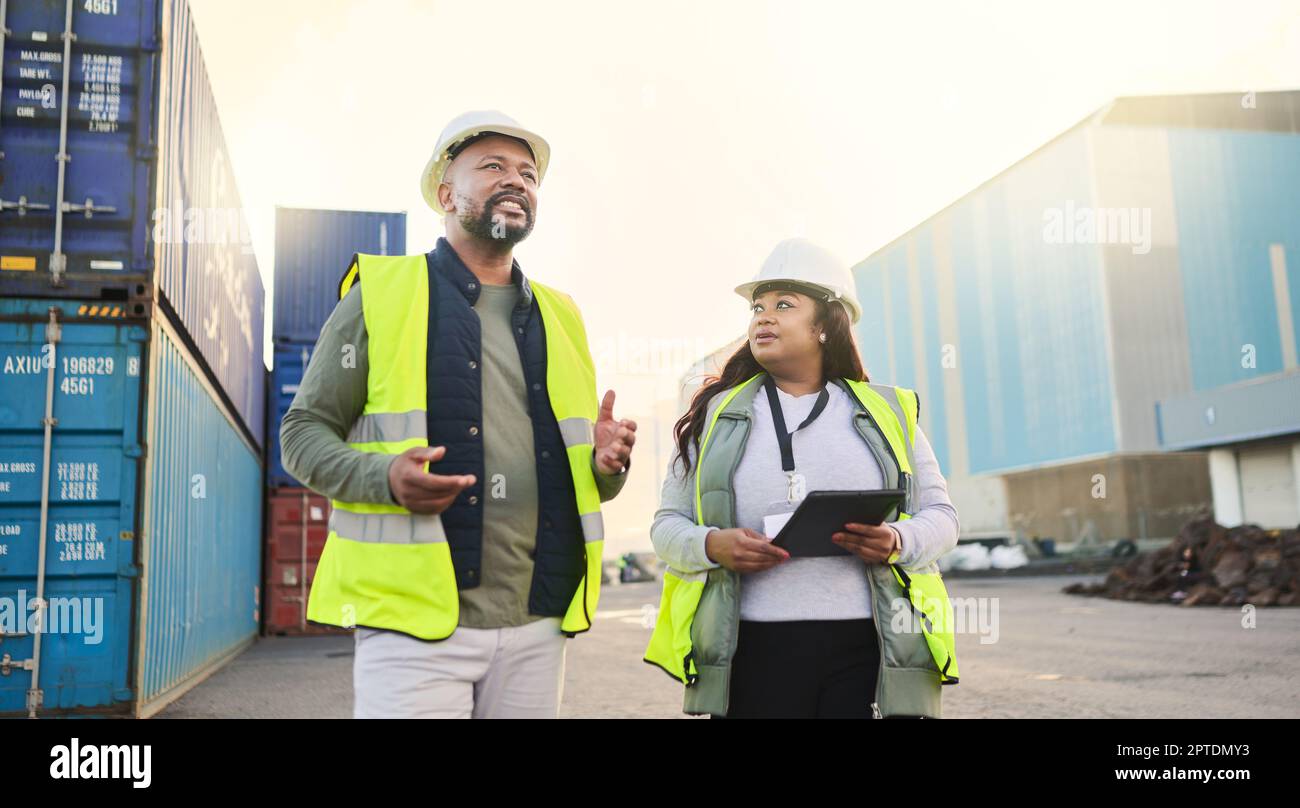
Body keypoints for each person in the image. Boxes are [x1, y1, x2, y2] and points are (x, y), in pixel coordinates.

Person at [281, 110, 636, 718]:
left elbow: (586, 484)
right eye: (493, 166)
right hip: (412, 626)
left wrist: (608, 465)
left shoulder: (562, 316)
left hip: (537, 620)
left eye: (528, 174)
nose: (517, 181)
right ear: (446, 194)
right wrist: (386, 478)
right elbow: (301, 434)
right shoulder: (383, 293)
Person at [644, 237, 960, 718]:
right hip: (749, 649)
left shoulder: (889, 413)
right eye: (758, 307)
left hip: (868, 648)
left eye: (784, 305)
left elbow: (942, 518)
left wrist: (896, 538)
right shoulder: (712, 416)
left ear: (825, 327)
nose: (763, 317)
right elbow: (667, 526)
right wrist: (713, 546)